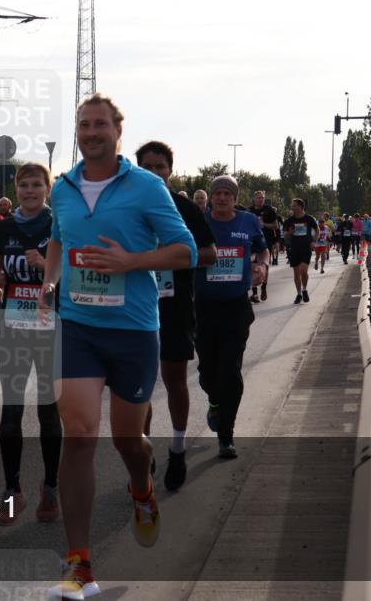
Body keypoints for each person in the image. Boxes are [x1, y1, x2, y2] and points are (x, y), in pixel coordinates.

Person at [40, 94, 197, 598]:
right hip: (78, 326)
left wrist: (131, 262)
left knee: (129, 440)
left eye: (100, 124)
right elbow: (59, 241)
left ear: (117, 131)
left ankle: (142, 487)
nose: (91, 132)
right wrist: (49, 284)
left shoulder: (147, 187)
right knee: (79, 434)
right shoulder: (62, 189)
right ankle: (80, 563)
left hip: (132, 329)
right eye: (84, 125)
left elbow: (185, 251)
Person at [135, 142, 217, 491]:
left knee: (173, 379)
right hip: (135, 305)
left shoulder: (184, 207)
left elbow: (210, 254)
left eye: (160, 167)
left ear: (170, 170)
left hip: (176, 303)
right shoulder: (126, 207)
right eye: (147, 167)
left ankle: (178, 447)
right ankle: (144, 450)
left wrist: (169, 258)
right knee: (138, 387)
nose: (154, 173)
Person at [0, 163, 62, 525]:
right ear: (17, 190)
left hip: (50, 326)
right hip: (14, 325)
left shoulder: (59, 224)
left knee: (48, 408)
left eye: (37, 185)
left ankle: (50, 486)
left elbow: (72, 272)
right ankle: (11, 487)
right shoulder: (4, 227)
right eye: (24, 185)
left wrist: (46, 264)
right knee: (12, 407)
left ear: (47, 189)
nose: (30, 191)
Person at [196, 176, 267, 459]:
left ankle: (226, 435)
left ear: (235, 198)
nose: (222, 198)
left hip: (236, 307)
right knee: (207, 373)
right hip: (204, 306)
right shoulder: (199, 222)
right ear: (211, 197)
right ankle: (214, 401)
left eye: (227, 193)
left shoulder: (248, 221)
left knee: (231, 371)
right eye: (218, 193)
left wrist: (262, 265)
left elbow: (261, 248)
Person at [282, 199, 318, 304]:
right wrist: (289, 232)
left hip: (306, 248)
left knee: (303, 270)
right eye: (292, 206)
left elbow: (317, 230)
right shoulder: (289, 220)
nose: (292, 208)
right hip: (294, 248)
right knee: (296, 273)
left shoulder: (309, 219)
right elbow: (285, 235)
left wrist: (314, 241)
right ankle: (299, 294)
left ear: (301, 207)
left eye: (294, 206)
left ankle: (304, 289)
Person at [246, 190, 277, 303]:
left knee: (265, 266)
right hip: (252, 242)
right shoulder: (248, 211)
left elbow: (275, 226)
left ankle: (263, 288)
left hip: (265, 241)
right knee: (253, 266)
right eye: (258, 197)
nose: (260, 199)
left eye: (262, 197)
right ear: (254, 199)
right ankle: (254, 293)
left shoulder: (269, 210)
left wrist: (264, 225)